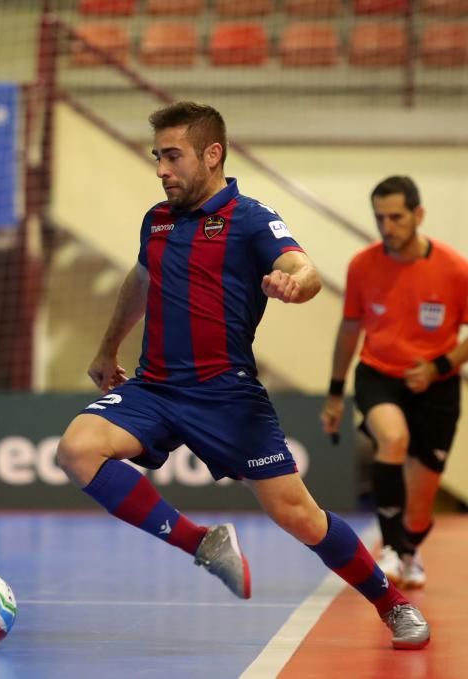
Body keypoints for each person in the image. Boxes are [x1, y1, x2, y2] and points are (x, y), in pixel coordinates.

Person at [54, 102, 430, 650]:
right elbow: (142, 278)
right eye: (158, 156)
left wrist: (295, 284)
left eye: (173, 156)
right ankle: (203, 544)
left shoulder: (250, 217)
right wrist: (107, 346)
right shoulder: (155, 220)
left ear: (213, 155)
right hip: (155, 387)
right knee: (77, 449)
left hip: (226, 396)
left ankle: (391, 603)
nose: (162, 169)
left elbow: (302, 269)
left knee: (299, 516)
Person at [321, 175, 468, 590]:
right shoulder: (362, 265)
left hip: (437, 385)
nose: (388, 227)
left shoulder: (454, 269)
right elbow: (350, 330)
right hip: (379, 374)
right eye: (380, 218)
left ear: (418, 215)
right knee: (393, 438)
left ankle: (409, 549)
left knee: (419, 507)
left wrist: (438, 366)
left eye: (397, 217)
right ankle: (389, 548)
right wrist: (334, 393)